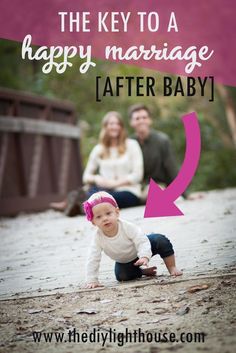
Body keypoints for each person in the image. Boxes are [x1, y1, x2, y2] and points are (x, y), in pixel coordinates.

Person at [50, 111, 143, 215]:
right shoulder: (98, 149)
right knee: (97, 194)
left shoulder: (132, 145)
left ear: (122, 127)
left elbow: (137, 175)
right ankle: (81, 205)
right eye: (111, 124)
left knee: (104, 197)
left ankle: (80, 205)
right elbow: (86, 176)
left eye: (118, 124)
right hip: (103, 189)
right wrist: (97, 178)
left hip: (128, 191)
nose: (115, 127)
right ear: (105, 127)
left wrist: (114, 183)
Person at [84, 191, 182, 289]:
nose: (105, 218)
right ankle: (141, 271)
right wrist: (92, 280)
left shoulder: (126, 227)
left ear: (117, 213)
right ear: (93, 222)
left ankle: (172, 267)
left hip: (142, 247)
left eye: (108, 213)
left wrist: (144, 256)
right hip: (125, 260)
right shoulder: (97, 238)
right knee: (122, 276)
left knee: (160, 240)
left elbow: (141, 240)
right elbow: (93, 258)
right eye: (99, 217)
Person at [129, 103, 188, 199]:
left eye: (144, 117)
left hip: (158, 186)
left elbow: (171, 169)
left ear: (150, 120)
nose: (141, 121)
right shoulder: (129, 143)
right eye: (137, 118)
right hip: (135, 188)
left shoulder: (162, 140)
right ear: (131, 122)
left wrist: (185, 194)